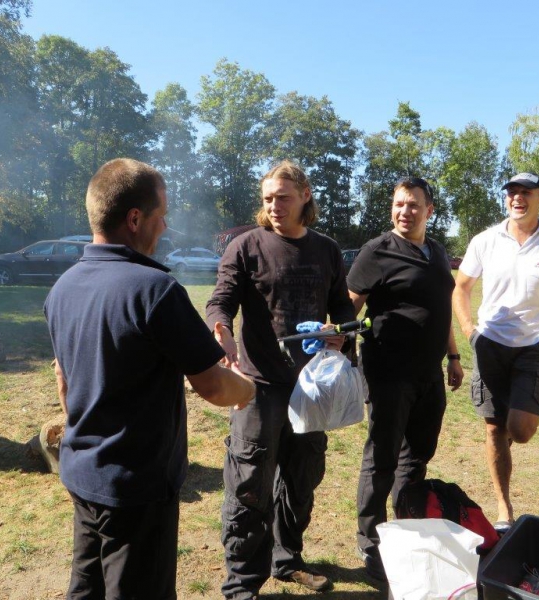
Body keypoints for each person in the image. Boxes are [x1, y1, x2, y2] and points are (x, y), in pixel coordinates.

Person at [45, 158, 256, 600]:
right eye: (161, 217)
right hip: (137, 485)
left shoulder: (62, 288)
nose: (164, 229)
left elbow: (63, 381)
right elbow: (215, 386)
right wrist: (248, 387)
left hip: (82, 471)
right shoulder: (155, 290)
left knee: (87, 588)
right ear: (135, 219)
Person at [206, 160, 356, 599]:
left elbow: (343, 310)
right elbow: (221, 302)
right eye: (268, 198)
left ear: (305, 196)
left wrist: (339, 337)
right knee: (250, 482)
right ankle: (242, 582)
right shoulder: (247, 246)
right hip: (257, 386)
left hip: (310, 387)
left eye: (283, 197)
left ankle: (287, 560)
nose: (274, 205)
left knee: (302, 477)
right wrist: (222, 333)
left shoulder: (326, 249)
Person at [452, 172, 539, 530]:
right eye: (512, 192)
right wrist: (470, 330)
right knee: (493, 429)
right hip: (489, 345)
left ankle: (513, 428)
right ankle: (504, 508)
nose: (517, 198)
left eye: (526, 192)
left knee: (521, 430)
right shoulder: (485, 240)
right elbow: (461, 288)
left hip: (534, 347)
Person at [347, 176, 464, 580]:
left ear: (429, 210)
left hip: (429, 374)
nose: (404, 211)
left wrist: (453, 356)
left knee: (417, 457)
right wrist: (337, 349)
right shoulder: (377, 251)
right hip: (388, 374)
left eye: (413, 204)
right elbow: (348, 307)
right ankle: (370, 543)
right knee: (381, 459)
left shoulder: (436, 252)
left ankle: (404, 526)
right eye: (399, 204)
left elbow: (442, 308)